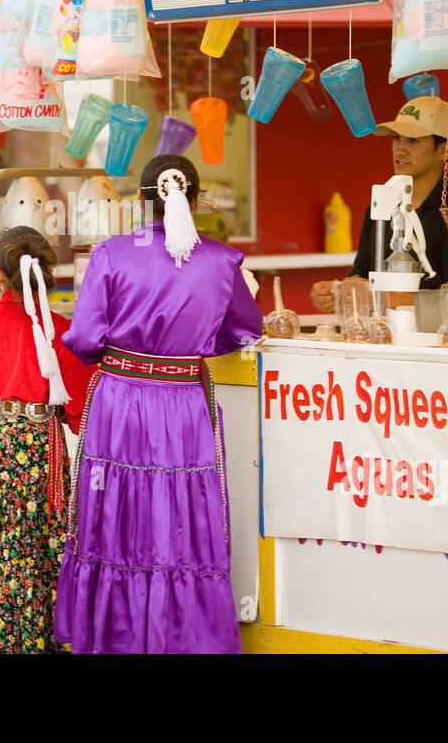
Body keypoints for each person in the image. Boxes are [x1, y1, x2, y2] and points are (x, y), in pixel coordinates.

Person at [55, 154, 264, 654]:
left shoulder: (111, 254)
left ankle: (109, 637)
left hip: (118, 405)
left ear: (141, 201)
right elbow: (245, 329)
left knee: (114, 514)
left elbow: (83, 338)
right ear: (194, 200)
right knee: (179, 517)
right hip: (184, 406)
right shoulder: (221, 261)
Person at [0, 226, 96, 654]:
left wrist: (6, 422)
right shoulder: (60, 331)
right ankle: (34, 642)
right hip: (43, 448)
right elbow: (80, 410)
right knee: (37, 547)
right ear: (49, 273)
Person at [311, 96, 448, 313]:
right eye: (397, 138)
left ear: (443, 149)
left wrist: (385, 299)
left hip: (433, 345)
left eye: (413, 141)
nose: (400, 150)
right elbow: (361, 278)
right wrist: (334, 293)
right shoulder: (381, 206)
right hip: (380, 340)